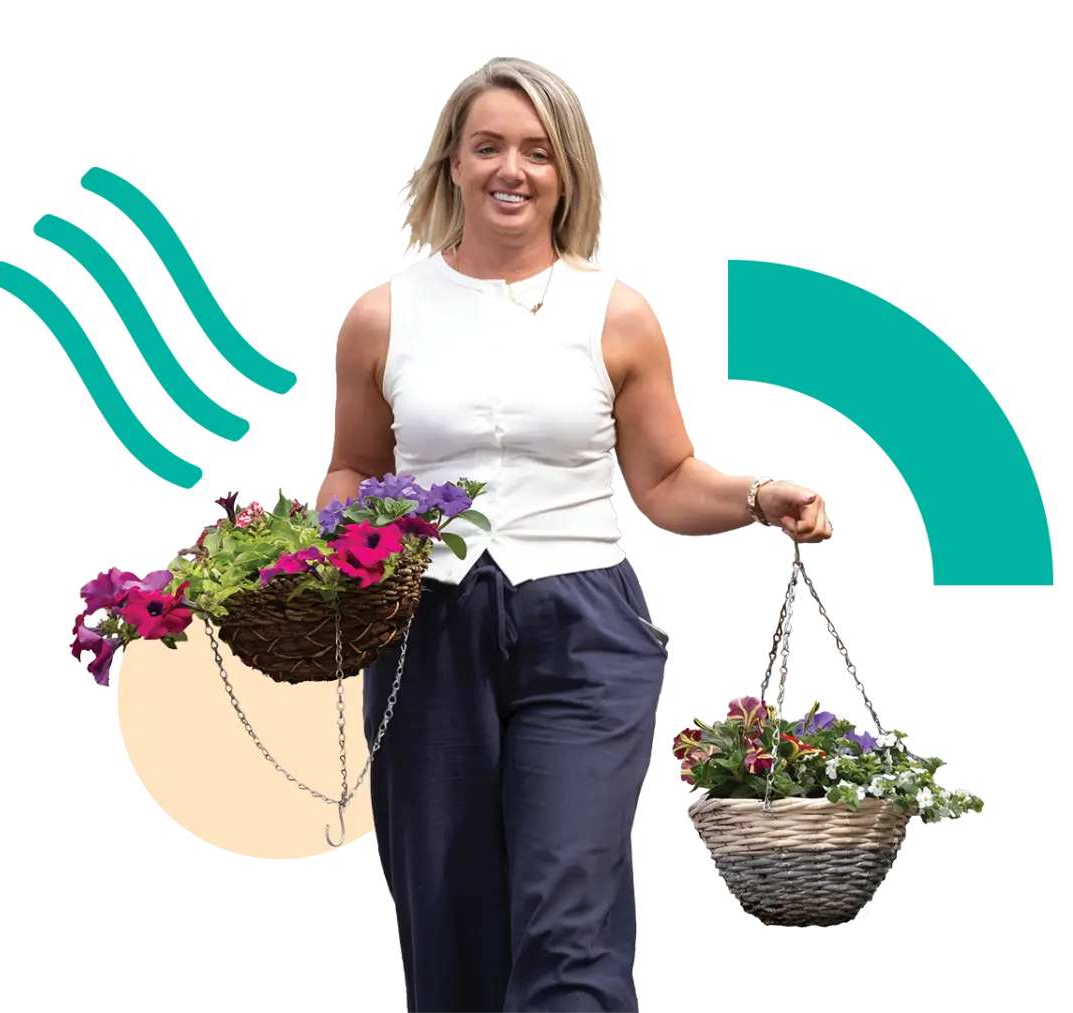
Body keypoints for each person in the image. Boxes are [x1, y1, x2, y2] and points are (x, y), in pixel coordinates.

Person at [315, 57, 832, 1013]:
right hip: (425, 628)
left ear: (566, 173)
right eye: (489, 147)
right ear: (453, 167)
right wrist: (334, 536)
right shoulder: (382, 315)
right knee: (449, 916)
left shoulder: (619, 313)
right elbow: (351, 466)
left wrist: (761, 497)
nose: (513, 169)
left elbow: (666, 482)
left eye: (536, 151)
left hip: (582, 629)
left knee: (569, 913)